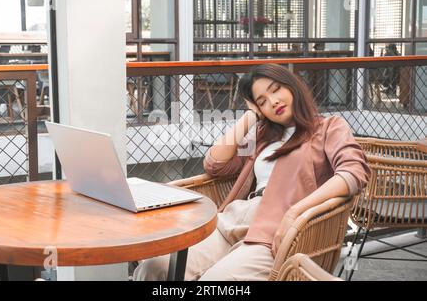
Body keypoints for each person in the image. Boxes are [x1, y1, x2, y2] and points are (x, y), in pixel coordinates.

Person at [133, 64, 371, 281]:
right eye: (262, 100)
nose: (273, 101)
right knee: (155, 266)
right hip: (232, 221)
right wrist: (249, 118)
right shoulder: (262, 136)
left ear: (292, 86)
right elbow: (215, 164)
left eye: (276, 89)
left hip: (278, 232)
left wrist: (294, 212)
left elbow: (353, 172)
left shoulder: (329, 127)